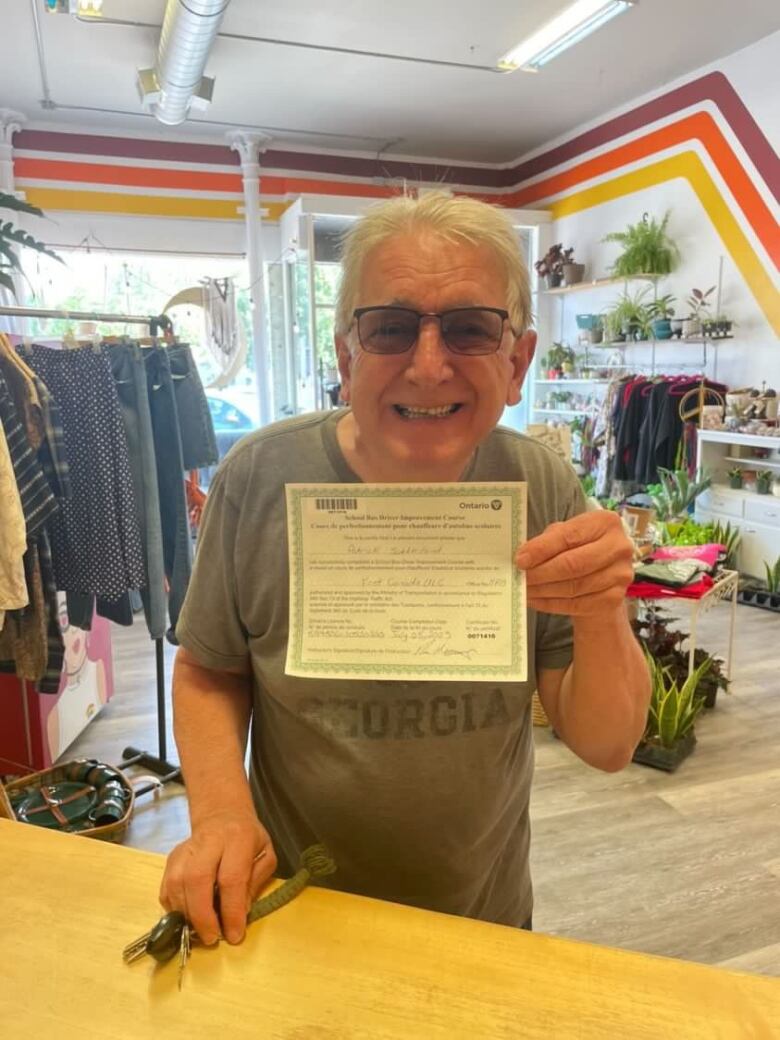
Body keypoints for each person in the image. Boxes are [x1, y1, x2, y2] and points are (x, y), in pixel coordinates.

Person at [161, 192, 650, 947]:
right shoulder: (259, 476)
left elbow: (608, 744)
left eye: (469, 329)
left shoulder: (543, 486)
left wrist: (601, 606)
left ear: (517, 362)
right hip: (288, 912)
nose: (429, 368)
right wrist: (222, 813)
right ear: (345, 355)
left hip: (482, 923)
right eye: (390, 328)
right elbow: (208, 668)